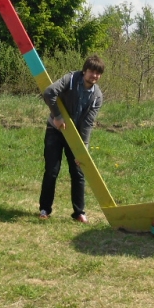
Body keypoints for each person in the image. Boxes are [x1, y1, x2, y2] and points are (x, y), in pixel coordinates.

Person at [38, 55, 105, 222]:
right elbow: (49, 93)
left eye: (98, 73)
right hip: (55, 131)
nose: (94, 76)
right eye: (91, 71)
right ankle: (45, 209)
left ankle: (79, 213)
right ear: (84, 71)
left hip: (74, 136)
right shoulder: (71, 79)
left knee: (78, 172)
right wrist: (57, 116)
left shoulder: (97, 96)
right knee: (52, 171)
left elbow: (88, 124)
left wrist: (83, 149)